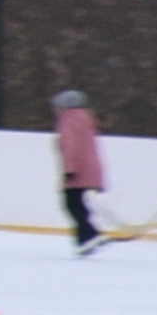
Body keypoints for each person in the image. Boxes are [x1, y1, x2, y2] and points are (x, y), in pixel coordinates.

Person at [51, 88, 108, 251]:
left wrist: (69, 169)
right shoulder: (86, 118)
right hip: (90, 169)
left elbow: (70, 146)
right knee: (77, 204)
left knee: (71, 204)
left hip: (77, 171)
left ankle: (90, 235)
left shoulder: (67, 120)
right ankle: (85, 240)